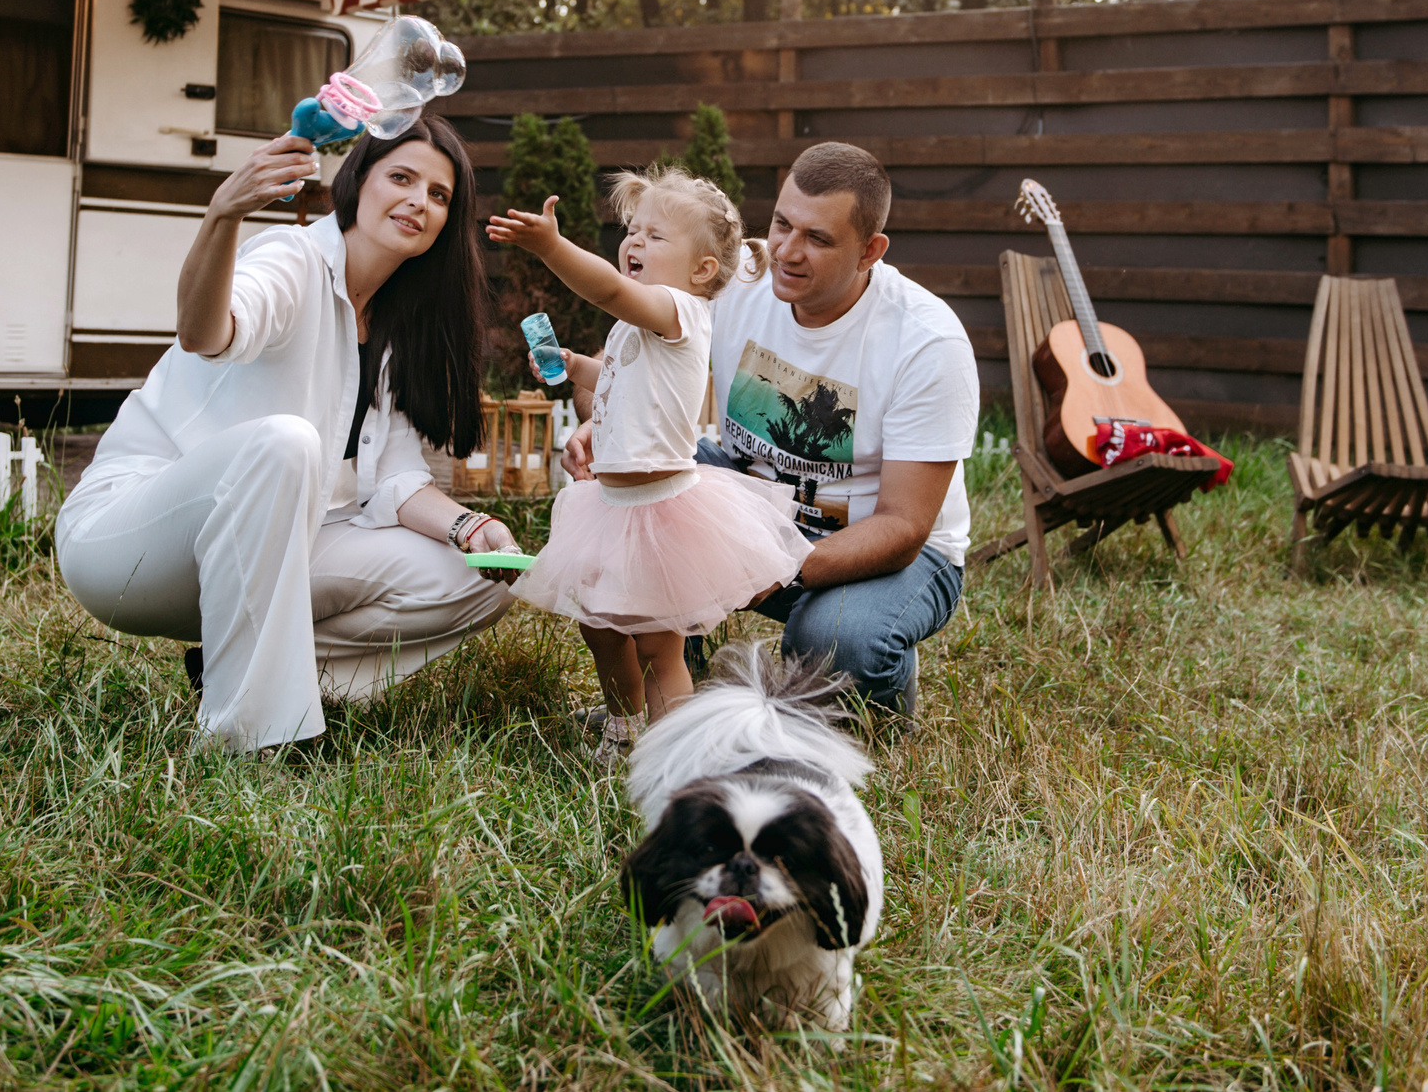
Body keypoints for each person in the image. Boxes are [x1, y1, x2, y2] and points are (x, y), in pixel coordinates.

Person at [55, 117, 524, 752]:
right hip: (127, 545)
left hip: (266, 556)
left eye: (439, 195)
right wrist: (223, 215)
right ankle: (248, 738)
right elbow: (205, 332)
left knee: (474, 580)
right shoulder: (293, 257)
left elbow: (395, 479)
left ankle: (246, 673)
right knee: (286, 441)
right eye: (402, 178)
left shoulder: (394, 323)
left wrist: (472, 529)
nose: (419, 200)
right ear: (359, 181)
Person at [559, 143, 976, 718]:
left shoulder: (927, 342)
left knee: (834, 642)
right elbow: (627, 360)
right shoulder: (737, 274)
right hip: (749, 497)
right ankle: (662, 698)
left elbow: (903, 526)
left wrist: (777, 565)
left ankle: (876, 651)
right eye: (782, 223)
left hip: (888, 549)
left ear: (870, 250)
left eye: (818, 238)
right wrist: (604, 424)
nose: (786, 251)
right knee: (638, 516)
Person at [488, 167, 811, 764]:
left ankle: (676, 755)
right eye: (632, 230)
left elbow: (610, 290)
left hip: (661, 510)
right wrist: (576, 365)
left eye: (655, 236)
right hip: (608, 506)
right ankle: (622, 727)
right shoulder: (638, 325)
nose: (635, 242)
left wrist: (550, 247)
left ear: (701, 271)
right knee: (600, 628)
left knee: (658, 643)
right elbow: (616, 372)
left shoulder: (681, 311)